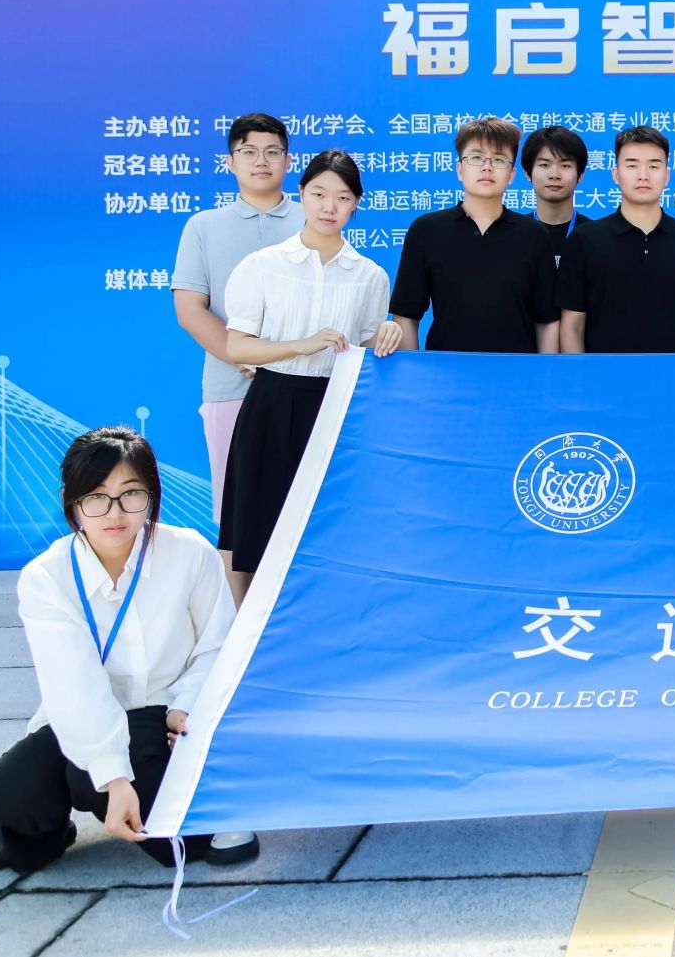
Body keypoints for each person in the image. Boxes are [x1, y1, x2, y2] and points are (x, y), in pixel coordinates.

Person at [0, 428, 257, 877]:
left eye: (131, 494)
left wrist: (186, 705)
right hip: (80, 717)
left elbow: (218, 645)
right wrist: (113, 775)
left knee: (180, 838)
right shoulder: (46, 577)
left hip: (160, 716)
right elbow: (73, 684)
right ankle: (32, 831)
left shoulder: (190, 553)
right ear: (72, 502)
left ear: (152, 495)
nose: (115, 512)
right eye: (96, 497)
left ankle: (200, 812)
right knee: (12, 796)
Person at [219, 151, 402, 605]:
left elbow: (366, 351)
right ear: (300, 193)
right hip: (271, 401)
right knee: (255, 521)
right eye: (319, 194)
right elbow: (237, 347)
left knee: (326, 522)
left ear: (356, 203)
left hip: (334, 409)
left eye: (342, 197)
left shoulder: (369, 275)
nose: (329, 206)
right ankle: (245, 626)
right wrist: (300, 345)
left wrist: (388, 335)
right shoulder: (263, 265)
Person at [170, 113, 303, 552]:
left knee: (304, 509)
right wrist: (244, 354)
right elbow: (190, 310)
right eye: (248, 152)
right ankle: (240, 600)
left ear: (288, 160)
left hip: (305, 385)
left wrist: (283, 358)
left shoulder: (313, 217)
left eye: (272, 152)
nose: (261, 161)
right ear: (230, 162)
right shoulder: (203, 226)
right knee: (237, 514)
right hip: (231, 386)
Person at [387, 117, 559, 355]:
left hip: (517, 374)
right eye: (476, 158)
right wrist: (411, 374)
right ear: (460, 169)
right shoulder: (426, 230)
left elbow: (546, 321)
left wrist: (546, 374)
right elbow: (406, 316)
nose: (487, 167)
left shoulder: (534, 235)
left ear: (511, 174)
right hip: (445, 372)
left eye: (498, 159)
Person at [558, 126, 675, 353]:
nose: (643, 175)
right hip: (602, 375)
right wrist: (579, 373)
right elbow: (572, 325)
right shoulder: (585, 240)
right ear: (616, 174)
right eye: (632, 165)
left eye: (654, 166)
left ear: (667, 176)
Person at [522, 124, 590, 267]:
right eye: (544, 165)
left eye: (565, 166)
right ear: (528, 173)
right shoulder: (514, 235)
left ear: (580, 175)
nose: (554, 175)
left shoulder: (596, 236)